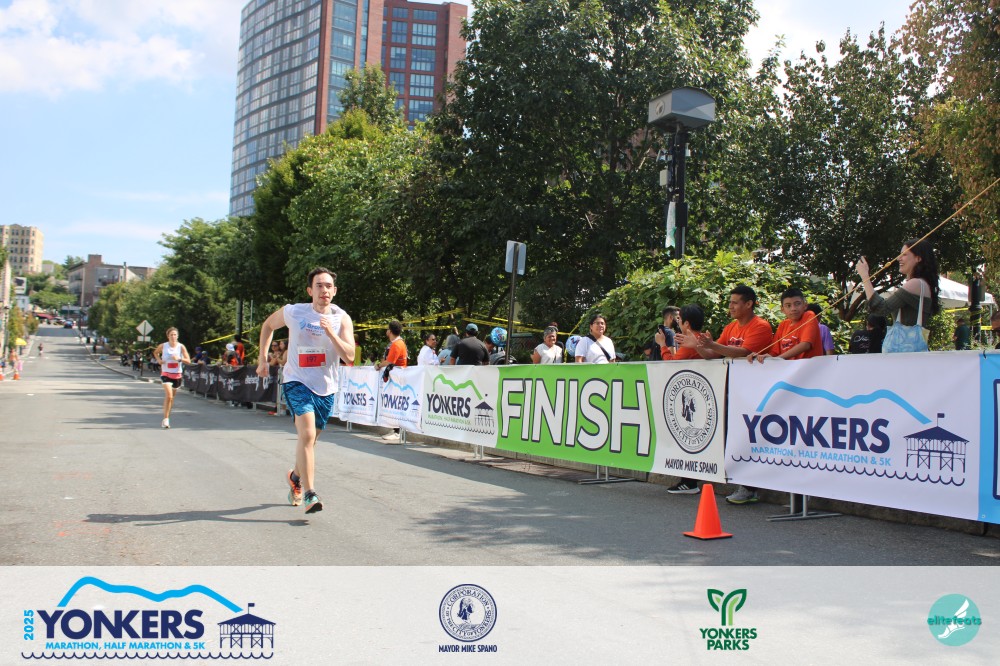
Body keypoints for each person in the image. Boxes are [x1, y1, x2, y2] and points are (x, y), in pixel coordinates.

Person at [256, 267, 356, 515]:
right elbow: (268, 326)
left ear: (335, 291)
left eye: (328, 286)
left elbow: (349, 356)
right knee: (308, 435)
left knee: (310, 439)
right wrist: (262, 359)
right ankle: (311, 493)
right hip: (297, 381)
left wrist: (331, 332)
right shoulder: (294, 311)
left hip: (326, 387)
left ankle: (295, 477)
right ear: (310, 291)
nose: (324, 290)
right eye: (319, 286)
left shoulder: (342, 318)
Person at [678, 286, 772, 505]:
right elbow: (713, 354)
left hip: (754, 392)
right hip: (731, 390)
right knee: (732, 436)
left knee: (748, 438)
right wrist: (699, 346)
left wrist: (711, 345)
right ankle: (739, 481)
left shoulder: (761, 326)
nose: (730, 306)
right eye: (730, 302)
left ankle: (749, 487)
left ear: (749, 304)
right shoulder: (731, 327)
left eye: (735, 302)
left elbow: (743, 352)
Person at [656, 304, 707, 495]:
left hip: (691, 395)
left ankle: (690, 482)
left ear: (686, 323)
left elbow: (672, 365)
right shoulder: (701, 339)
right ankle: (688, 480)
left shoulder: (691, 343)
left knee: (689, 437)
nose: (678, 322)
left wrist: (662, 345)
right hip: (696, 393)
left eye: (680, 320)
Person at [856, 239, 940, 347]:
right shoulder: (921, 284)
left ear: (918, 258)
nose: (899, 258)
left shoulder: (915, 283)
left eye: (904, 254)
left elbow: (881, 308)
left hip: (905, 353)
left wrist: (865, 277)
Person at [749, 288, 822, 362]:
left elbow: (805, 345)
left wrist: (779, 358)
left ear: (805, 305)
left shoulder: (809, 316)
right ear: (782, 309)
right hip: (787, 368)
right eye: (788, 305)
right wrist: (761, 356)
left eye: (797, 304)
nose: (793, 309)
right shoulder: (783, 325)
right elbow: (774, 352)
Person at [153, 327, 192, 429]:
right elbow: (155, 352)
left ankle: (167, 417)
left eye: (175, 335)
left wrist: (179, 359)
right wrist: (159, 360)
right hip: (166, 373)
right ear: (168, 336)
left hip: (177, 374)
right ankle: (165, 419)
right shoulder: (163, 346)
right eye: (171, 335)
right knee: (169, 396)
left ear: (177, 336)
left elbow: (188, 361)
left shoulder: (181, 347)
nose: (173, 336)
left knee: (172, 398)